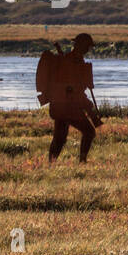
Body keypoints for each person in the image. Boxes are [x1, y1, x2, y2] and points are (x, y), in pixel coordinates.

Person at [46, 32, 100, 163]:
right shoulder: (71, 61)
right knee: (89, 132)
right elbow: (73, 89)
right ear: (81, 46)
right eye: (87, 46)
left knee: (60, 138)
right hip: (68, 106)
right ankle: (82, 161)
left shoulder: (73, 60)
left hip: (61, 105)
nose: (88, 49)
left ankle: (50, 164)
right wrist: (88, 107)